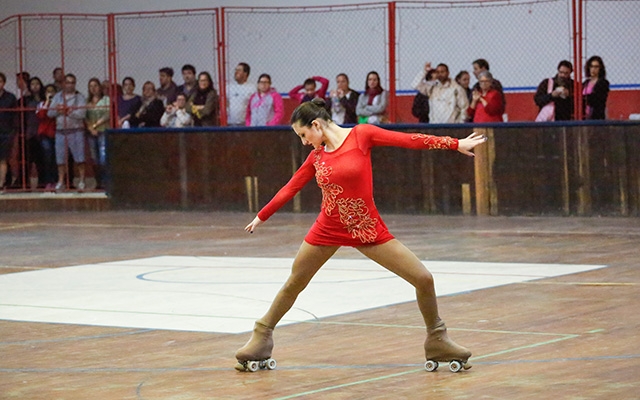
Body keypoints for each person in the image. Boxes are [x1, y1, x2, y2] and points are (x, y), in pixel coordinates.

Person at [235, 98, 485, 372]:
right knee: (294, 282)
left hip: (367, 229)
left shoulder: (362, 135)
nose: (305, 142)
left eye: (304, 135)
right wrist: (261, 217)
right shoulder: (317, 156)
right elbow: (290, 187)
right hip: (326, 229)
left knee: (423, 279)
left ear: (316, 125)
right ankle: (261, 337)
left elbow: (409, 140)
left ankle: (438, 340)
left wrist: (454, 144)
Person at [47, 73, 87, 191]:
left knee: (79, 157)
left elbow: (82, 114)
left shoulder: (80, 97)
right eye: (68, 82)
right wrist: (59, 111)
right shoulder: (57, 97)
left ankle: (82, 180)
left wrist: (68, 111)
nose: (70, 85)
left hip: (76, 130)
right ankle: (60, 181)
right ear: (63, 83)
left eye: (72, 82)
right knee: (60, 159)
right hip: (60, 131)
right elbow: (50, 113)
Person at [85, 77, 110, 189]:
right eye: (91, 86)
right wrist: (90, 128)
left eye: (95, 85)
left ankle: (106, 181)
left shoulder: (106, 100)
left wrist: (95, 126)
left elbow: (107, 114)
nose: (93, 88)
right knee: (94, 158)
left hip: (103, 130)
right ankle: (98, 182)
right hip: (91, 133)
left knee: (103, 158)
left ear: (100, 87)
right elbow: (85, 117)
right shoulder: (87, 102)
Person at [36, 84, 58, 191]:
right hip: (45, 134)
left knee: (56, 158)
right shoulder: (41, 104)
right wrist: (47, 103)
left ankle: (57, 180)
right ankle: (49, 181)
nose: (50, 93)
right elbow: (42, 116)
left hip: (56, 133)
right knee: (48, 157)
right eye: (48, 91)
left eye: (52, 91)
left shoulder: (58, 104)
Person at [0, 72, 17, 192]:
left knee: (3, 158)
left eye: (0, 81)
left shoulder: (10, 97)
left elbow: (15, 116)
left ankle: (1, 183)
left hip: (6, 132)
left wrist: (12, 131)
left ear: (3, 83)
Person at [582, 55, 609, 120]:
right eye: (591, 66)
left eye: (596, 67)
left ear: (600, 68)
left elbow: (597, 99)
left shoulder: (603, 83)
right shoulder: (586, 82)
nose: (593, 69)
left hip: (596, 116)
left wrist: (583, 98)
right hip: (584, 116)